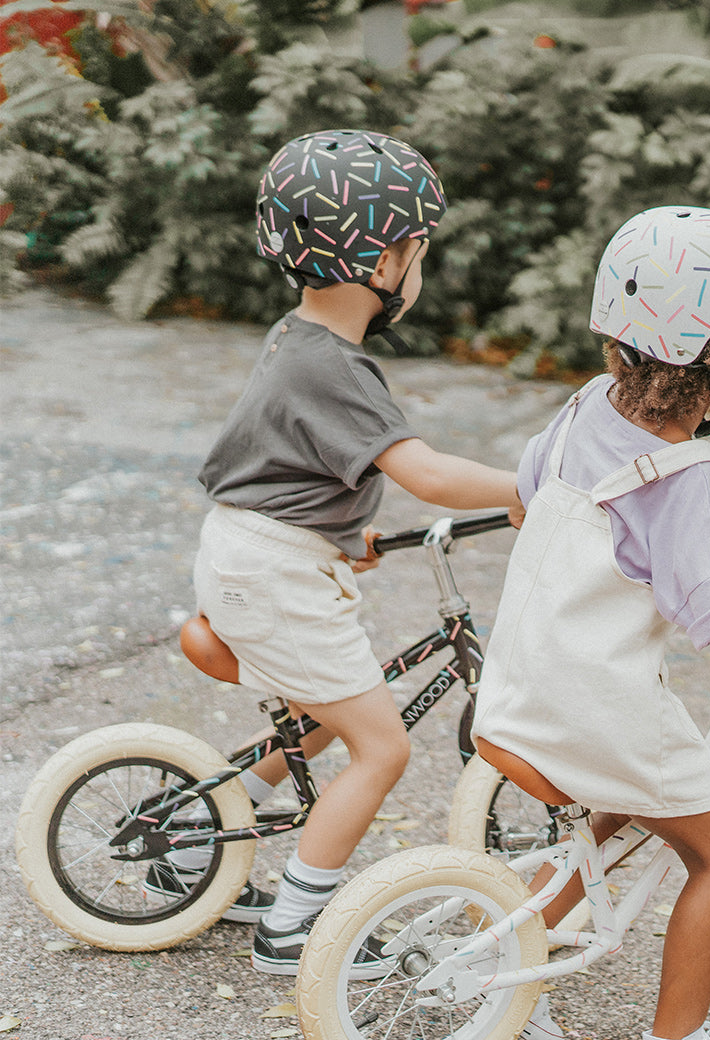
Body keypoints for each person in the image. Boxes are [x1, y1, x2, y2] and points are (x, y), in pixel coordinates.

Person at [472, 206, 710, 1040]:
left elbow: (528, 501)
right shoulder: (685, 471)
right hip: (593, 706)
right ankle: (678, 1034)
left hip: (517, 686)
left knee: (622, 806)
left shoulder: (585, 408)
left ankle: (489, 957)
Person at [152, 129, 524, 976]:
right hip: (271, 570)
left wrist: (331, 526)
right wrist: (528, 488)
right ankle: (293, 929)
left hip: (260, 551)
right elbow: (425, 472)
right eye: (417, 249)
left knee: (332, 711)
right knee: (383, 745)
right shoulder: (336, 367)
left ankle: (196, 845)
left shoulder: (301, 338)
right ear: (384, 261)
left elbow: (276, 458)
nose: (419, 266)